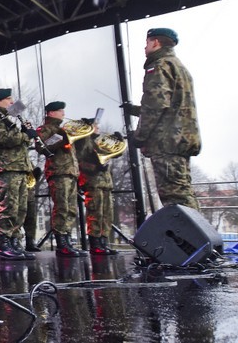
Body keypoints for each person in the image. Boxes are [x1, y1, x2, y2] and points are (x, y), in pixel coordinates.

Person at [123, 28, 201, 210]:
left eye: (147, 43)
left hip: (166, 144)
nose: (145, 47)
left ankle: (191, 238)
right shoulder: (179, 67)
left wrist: (139, 136)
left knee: (175, 199)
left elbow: (156, 106)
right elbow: (172, 105)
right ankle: (198, 236)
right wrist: (135, 110)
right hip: (180, 140)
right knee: (183, 193)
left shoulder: (158, 65)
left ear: (156, 42)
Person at [0, 88, 34, 260]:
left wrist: (25, 133)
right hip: (5, 169)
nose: (12, 102)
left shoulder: (8, 119)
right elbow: (3, 139)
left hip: (18, 168)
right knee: (8, 207)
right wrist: (25, 135)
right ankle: (4, 243)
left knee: (20, 209)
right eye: (8, 99)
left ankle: (15, 242)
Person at [37, 101, 86, 257]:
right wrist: (61, 137)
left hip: (70, 173)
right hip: (58, 172)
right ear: (51, 113)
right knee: (62, 207)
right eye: (59, 110)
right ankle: (61, 243)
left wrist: (82, 138)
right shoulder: (46, 129)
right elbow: (42, 146)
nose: (63, 113)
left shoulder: (63, 130)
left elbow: (77, 153)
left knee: (71, 209)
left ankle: (67, 240)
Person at [75, 122, 118, 255]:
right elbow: (80, 159)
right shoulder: (84, 141)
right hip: (93, 182)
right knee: (95, 213)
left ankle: (104, 242)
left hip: (105, 183)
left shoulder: (99, 140)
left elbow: (114, 153)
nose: (97, 128)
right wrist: (95, 167)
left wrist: (117, 142)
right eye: (94, 125)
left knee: (107, 214)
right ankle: (95, 244)